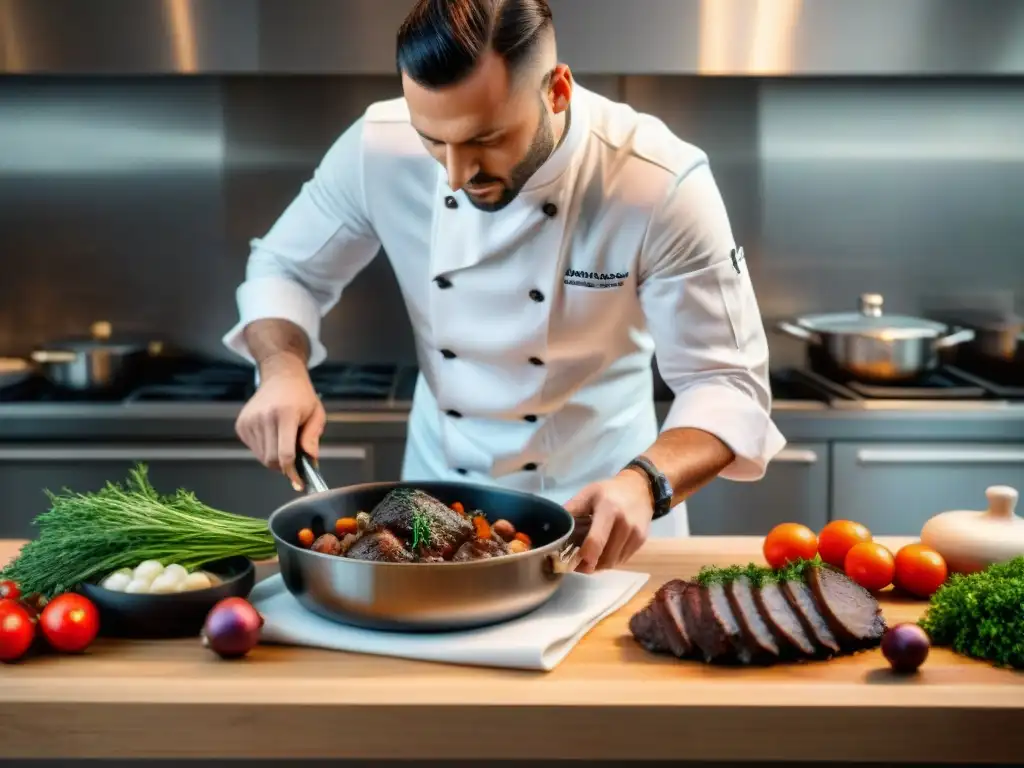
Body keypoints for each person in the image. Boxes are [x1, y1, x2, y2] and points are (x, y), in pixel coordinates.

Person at [223, 0, 786, 573]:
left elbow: (727, 383)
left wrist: (646, 482)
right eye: (432, 140)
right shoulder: (376, 146)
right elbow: (283, 268)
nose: (455, 173)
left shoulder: (656, 181)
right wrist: (282, 369)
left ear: (557, 91)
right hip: (431, 515)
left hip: (605, 516)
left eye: (485, 139)